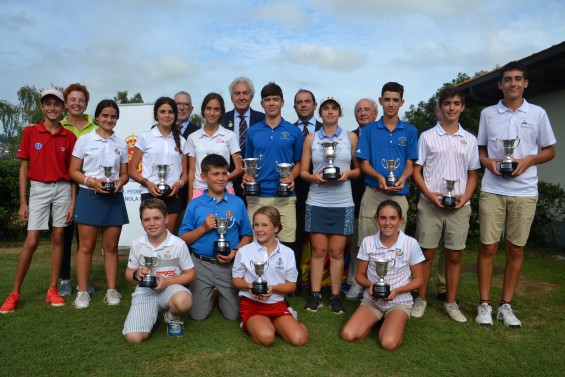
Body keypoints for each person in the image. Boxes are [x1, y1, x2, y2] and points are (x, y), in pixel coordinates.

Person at [475, 61, 556, 328]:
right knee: (487, 246)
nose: (513, 83)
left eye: (518, 79)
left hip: (525, 191)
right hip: (492, 189)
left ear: (525, 83)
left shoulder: (538, 113)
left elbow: (549, 151)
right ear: (500, 85)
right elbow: (481, 150)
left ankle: (505, 306)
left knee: (516, 248)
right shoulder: (488, 113)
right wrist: (488, 163)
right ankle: (484, 304)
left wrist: (528, 160)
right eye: (507, 79)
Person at [1, 88, 77, 314]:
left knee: (58, 237)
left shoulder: (69, 136)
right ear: (41, 107)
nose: (53, 108)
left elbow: (73, 173)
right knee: (32, 241)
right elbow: (24, 168)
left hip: (63, 189)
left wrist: (73, 203)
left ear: (62, 108)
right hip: (39, 189)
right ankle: (14, 293)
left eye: (57, 104)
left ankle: (52, 289)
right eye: (48, 104)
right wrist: (22, 202)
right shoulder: (30, 132)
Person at [411, 87, 480, 323]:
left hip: (459, 206)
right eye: (447, 103)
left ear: (462, 107)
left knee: (454, 255)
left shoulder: (469, 139)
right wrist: (430, 195)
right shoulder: (427, 136)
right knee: (426, 254)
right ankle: (420, 299)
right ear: (439, 108)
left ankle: (451, 302)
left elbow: (473, 174)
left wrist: (465, 196)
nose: (452, 107)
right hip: (430, 204)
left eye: (457, 103)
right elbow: (416, 171)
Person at [300, 96, 360, 314]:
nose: (330, 112)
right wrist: (314, 178)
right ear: (320, 113)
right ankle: (315, 294)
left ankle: (335, 296)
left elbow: (359, 169)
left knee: (336, 252)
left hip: (342, 202)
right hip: (317, 200)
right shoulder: (310, 138)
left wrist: (346, 174)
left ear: (339, 113)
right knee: (318, 250)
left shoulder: (350, 137)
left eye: (334, 108)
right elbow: (303, 172)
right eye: (326, 109)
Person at [69, 99, 130, 309]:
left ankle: (112, 290)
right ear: (97, 117)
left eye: (113, 116)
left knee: (111, 247)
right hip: (89, 196)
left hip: (113, 197)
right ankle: (83, 291)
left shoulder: (121, 144)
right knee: (86, 247)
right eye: (105, 115)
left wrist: (119, 182)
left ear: (117, 119)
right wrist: (93, 181)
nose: (109, 119)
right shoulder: (84, 140)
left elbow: (124, 174)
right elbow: (73, 171)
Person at [341, 200, 424, 351]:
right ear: (376, 219)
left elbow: (419, 279)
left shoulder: (410, 243)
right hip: (372, 300)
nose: (387, 223)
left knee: (388, 343)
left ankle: (393, 322)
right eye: (383, 218)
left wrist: (397, 291)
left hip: (399, 301)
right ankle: (377, 319)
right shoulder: (368, 242)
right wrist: (370, 286)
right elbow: (359, 275)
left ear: (401, 220)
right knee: (348, 334)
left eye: (393, 218)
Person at [179, 154, 253, 321]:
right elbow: (183, 238)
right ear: (204, 176)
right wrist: (204, 228)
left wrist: (235, 252)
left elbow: (247, 235)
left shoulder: (237, 203)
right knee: (197, 315)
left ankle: (219, 290)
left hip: (228, 267)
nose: (221, 178)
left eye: (224, 173)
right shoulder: (195, 204)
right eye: (215, 174)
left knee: (233, 316)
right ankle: (212, 294)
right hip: (201, 264)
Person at [232, 206, 309, 346]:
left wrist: (272, 289)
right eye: (256, 225)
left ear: (276, 228)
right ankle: (253, 322)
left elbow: (291, 286)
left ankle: (286, 318)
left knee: (300, 339)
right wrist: (250, 286)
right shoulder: (244, 251)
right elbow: (236, 281)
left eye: (265, 225)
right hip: (252, 304)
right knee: (267, 338)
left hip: (277, 303)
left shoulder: (287, 253)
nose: (259, 229)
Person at [123, 198, 195, 342]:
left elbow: (191, 275)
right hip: (145, 292)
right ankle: (150, 314)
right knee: (134, 338)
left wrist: (167, 282)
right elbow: (128, 275)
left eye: (157, 218)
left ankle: (171, 317)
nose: (152, 224)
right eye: (147, 219)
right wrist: (137, 274)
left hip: (170, 289)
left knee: (184, 301)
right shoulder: (137, 244)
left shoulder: (178, 244)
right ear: (142, 222)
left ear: (166, 218)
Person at [243, 82, 303, 250]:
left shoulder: (294, 131)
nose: (271, 103)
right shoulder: (252, 131)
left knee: (286, 247)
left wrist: (292, 176)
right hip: (257, 197)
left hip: (285, 197)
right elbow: (249, 163)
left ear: (282, 102)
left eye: (275, 99)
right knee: (255, 247)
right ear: (262, 104)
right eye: (267, 100)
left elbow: (299, 162)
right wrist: (247, 176)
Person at [355, 82, 418, 241]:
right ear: (381, 100)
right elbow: (364, 164)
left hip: (398, 194)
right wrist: (379, 177)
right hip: (373, 193)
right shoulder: (369, 130)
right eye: (387, 99)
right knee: (367, 245)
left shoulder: (410, 130)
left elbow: (410, 164)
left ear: (401, 102)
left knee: (397, 246)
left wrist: (403, 179)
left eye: (395, 100)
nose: (391, 104)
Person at [59, 83, 98, 297]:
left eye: (81, 100)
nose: (77, 103)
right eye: (72, 100)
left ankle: (85, 278)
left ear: (86, 104)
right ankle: (65, 278)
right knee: (63, 234)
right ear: (66, 103)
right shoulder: (59, 125)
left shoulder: (95, 127)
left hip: (87, 187)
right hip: (64, 185)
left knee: (84, 239)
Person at [129, 97, 189, 233]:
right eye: (163, 112)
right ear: (156, 114)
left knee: (168, 238)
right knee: (153, 237)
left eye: (170, 112)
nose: (167, 115)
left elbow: (185, 174)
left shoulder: (182, 140)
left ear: (175, 114)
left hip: (172, 195)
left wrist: (179, 184)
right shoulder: (146, 136)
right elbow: (131, 170)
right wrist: (147, 183)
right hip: (149, 194)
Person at [345, 98, 378, 300]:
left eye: (367, 109)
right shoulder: (349, 137)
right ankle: (355, 282)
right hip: (355, 197)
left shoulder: (382, 134)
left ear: (375, 112)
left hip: (381, 194)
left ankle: (379, 281)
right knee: (357, 243)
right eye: (359, 110)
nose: (363, 113)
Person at [292, 89, 323, 296]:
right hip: (295, 190)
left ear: (314, 105)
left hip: (322, 191)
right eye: (299, 102)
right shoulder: (289, 130)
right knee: (294, 237)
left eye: (307, 102)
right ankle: (294, 282)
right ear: (294, 107)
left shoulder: (328, 129)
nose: (303, 105)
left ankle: (319, 285)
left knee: (319, 241)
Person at [187, 93, 243, 200]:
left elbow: (239, 169)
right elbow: (192, 171)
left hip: (225, 190)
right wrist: (190, 197)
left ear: (221, 112)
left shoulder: (230, 135)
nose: (212, 113)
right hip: (200, 191)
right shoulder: (192, 137)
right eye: (208, 108)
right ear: (203, 110)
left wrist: (221, 179)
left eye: (216, 109)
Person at [221, 77, 265, 200]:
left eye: (245, 93)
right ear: (231, 98)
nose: (241, 97)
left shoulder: (263, 119)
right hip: (228, 181)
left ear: (251, 97)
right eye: (237, 93)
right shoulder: (222, 120)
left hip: (256, 180)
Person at [174, 90, 200, 233]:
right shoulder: (157, 131)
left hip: (190, 195)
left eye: (186, 104)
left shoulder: (199, 133)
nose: (182, 107)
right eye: (178, 104)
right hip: (165, 194)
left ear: (191, 109)